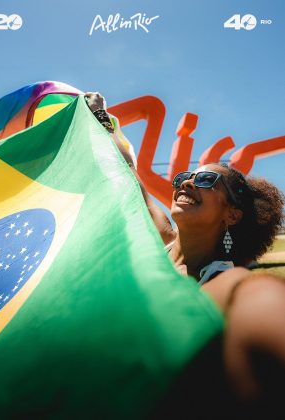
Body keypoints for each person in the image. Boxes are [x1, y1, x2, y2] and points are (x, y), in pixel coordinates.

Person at [84, 92, 285, 416]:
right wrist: (101, 123)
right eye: (184, 178)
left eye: (206, 179)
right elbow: (127, 178)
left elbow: (252, 300)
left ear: (232, 214)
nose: (186, 183)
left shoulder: (224, 280)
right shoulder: (159, 238)